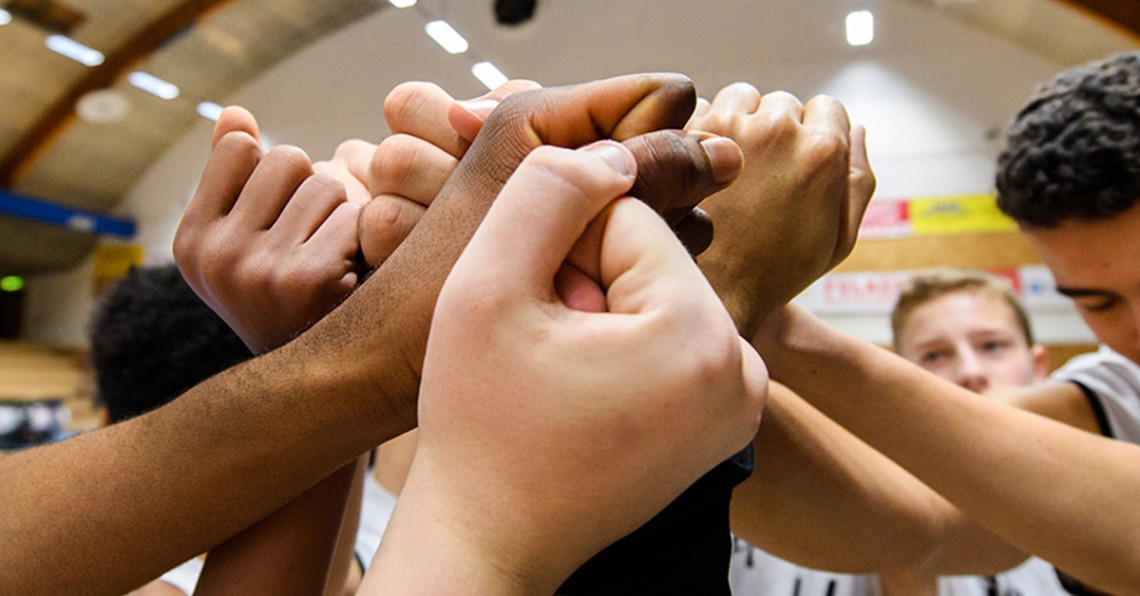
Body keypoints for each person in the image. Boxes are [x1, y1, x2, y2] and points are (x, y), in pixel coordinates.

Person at [750, 51, 1140, 594]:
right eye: (1099, 303)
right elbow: (914, 517)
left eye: (992, 345)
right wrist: (726, 309)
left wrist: (758, 311)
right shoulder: (1110, 395)